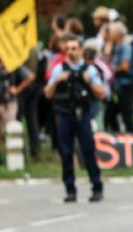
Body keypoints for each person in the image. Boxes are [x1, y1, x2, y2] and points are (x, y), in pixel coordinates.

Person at [44, 35, 105, 203]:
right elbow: (47, 93)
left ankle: (96, 186)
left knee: (88, 151)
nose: (70, 52)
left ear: (81, 51)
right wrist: (57, 81)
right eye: (68, 49)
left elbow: (101, 93)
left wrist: (90, 82)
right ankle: (70, 189)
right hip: (65, 115)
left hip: (82, 115)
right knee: (66, 152)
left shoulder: (89, 70)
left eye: (73, 48)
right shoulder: (59, 69)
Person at [0, 55, 35, 159]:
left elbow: (30, 76)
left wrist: (17, 89)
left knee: (10, 129)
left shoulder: (12, 62)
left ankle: (14, 155)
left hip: (8, 101)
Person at [105, 21, 133, 133]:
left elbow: (125, 66)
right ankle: (117, 135)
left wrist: (110, 70)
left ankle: (132, 137)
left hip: (126, 85)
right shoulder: (114, 47)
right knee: (111, 113)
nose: (109, 33)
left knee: (126, 113)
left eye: (111, 31)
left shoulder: (125, 47)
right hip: (116, 85)